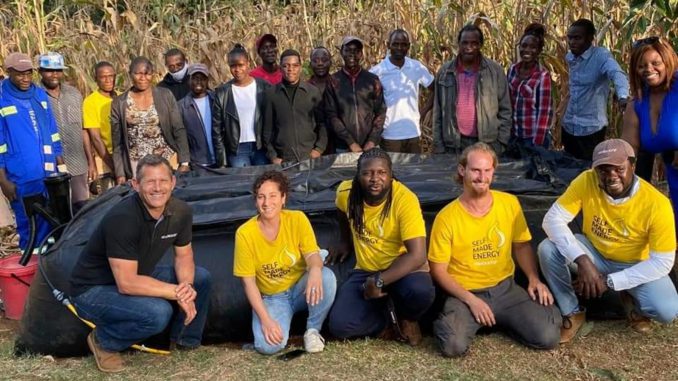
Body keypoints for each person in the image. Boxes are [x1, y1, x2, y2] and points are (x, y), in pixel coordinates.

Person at [69, 154, 211, 373]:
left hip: (137, 275)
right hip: (94, 289)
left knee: (199, 278)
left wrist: (186, 287)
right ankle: (103, 342)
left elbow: (184, 256)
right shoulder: (123, 218)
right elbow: (126, 283)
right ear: (136, 185)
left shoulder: (181, 211)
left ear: (173, 182)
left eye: (163, 180)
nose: (157, 188)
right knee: (158, 312)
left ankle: (185, 341)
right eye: (150, 181)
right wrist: (177, 293)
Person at [538, 139, 677, 343]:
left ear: (633, 165)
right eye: (603, 170)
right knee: (547, 249)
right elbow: (552, 219)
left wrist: (610, 281)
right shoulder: (586, 180)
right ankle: (572, 311)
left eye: (619, 169)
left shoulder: (657, 204)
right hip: (595, 253)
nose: (611, 176)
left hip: (635, 263)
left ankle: (632, 300)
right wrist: (583, 261)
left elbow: (663, 261)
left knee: (667, 311)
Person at [428, 142, 560, 357]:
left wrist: (534, 279)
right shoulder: (447, 217)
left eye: (487, 170)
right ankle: (466, 318)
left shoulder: (509, 203)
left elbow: (521, 245)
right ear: (462, 171)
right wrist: (472, 301)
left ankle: (503, 318)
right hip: (466, 293)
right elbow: (438, 270)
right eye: (475, 170)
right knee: (453, 346)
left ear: (493, 172)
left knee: (548, 336)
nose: (482, 177)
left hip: (505, 288)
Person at [327, 148, 435, 346]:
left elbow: (418, 256)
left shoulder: (405, 199)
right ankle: (387, 320)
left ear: (391, 174)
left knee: (421, 291)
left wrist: (378, 280)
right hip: (366, 269)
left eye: (381, 172)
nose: (375, 178)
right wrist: (345, 241)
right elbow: (342, 212)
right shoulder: (346, 192)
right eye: (367, 173)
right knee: (340, 326)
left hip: (401, 267)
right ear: (358, 176)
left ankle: (408, 318)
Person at [234, 170, 336, 354]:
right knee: (268, 346)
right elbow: (248, 283)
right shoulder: (245, 233)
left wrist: (314, 270)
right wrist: (266, 320)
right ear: (256, 201)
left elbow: (312, 254)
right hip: (273, 297)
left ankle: (313, 330)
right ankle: (270, 324)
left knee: (326, 276)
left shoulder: (297, 219)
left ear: (283, 198)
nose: (266, 203)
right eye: (261, 197)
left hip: (300, 287)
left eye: (273, 196)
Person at [0, 52, 63, 250]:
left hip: (47, 170)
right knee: (28, 220)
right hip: (21, 174)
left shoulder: (39, 95)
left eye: (29, 73)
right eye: (20, 74)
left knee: (51, 216)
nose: (26, 78)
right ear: (8, 72)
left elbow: (52, 131)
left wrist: (60, 161)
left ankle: (48, 257)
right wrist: (3, 181)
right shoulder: (2, 99)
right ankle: (31, 262)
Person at [433, 24, 512, 155]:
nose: (469, 47)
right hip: (453, 145)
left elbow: (505, 110)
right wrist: (439, 146)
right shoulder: (445, 72)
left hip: (487, 144)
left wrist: (501, 142)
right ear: (458, 44)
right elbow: (438, 112)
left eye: (474, 43)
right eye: (465, 43)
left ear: (480, 45)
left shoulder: (494, 71)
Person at [622, 37, 678, 221]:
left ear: (667, 61)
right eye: (641, 65)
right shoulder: (637, 103)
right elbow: (627, 149)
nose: (648, 70)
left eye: (656, 63)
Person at [110, 56, 190, 184]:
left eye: (147, 73)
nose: (143, 78)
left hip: (167, 159)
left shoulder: (165, 95)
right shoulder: (119, 103)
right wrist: (120, 174)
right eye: (138, 73)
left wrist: (184, 162)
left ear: (152, 74)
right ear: (130, 74)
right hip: (137, 164)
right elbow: (117, 143)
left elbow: (178, 128)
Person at [562, 19, 629, 160]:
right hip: (569, 126)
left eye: (577, 38)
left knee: (588, 172)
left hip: (591, 129)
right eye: (570, 38)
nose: (572, 42)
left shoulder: (601, 56)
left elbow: (617, 74)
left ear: (590, 39)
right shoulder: (570, 57)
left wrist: (623, 96)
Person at [38, 52, 95, 210]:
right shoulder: (36, 96)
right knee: (58, 211)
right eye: (49, 70)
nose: (54, 75)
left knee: (82, 209)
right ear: (40, 72)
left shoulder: (74, 94)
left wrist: (91, 162)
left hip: (78, 164)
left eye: (58, 70)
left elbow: (83, 129)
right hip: (51, 168)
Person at [369, 29, 434, 153]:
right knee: (392, 171)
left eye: (403, 44)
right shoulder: (377, 72)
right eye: (395, 44)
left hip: (413, 132)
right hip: (389, 134)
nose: (399, 47)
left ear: (408, 46)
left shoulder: (416, 67)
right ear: (388, 45)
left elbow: (434, 88)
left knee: (414, 170)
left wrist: (423, 112)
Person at [263, 49, 327, 164]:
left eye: (295, 65)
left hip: (310, 157)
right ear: (280, 68)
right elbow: (267, 130)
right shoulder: (271, 94)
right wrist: (273, 156)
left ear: (300, 67)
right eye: (286, 66)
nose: (290, 69)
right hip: (283, 159)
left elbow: (322, 124)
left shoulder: (312, 92)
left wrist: (318, 149)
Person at [212, 44, 270, 167]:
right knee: (242, 184)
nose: (237, 70)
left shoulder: (263, 87)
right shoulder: (223, 93)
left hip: (261, 147)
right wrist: (222, 160)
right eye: (233, 66)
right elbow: (217, 129)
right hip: (237, 149)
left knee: (263, 182)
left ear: (248, 63)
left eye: (241, 65)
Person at [324, 36, 386, 153]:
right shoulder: (333, 81)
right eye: (347, 50)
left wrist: (372, 140)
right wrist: (350, 142)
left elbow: (380, 112)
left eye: (356, 51)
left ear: (361, 54)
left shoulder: (372, 80)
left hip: (370, 146)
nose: (351, 54)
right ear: (341, 52)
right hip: (344, 146)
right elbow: (332, 115)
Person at [507, 23, 553, 149]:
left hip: (533, 138)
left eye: (533, 47)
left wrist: (537, 146)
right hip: (515, 136)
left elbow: (544, 112)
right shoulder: (512, 70)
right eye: (524, 46)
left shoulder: (542, 76)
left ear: (539, 50)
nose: (527, 50)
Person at [83, 61, 116, 191]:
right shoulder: (91, 102)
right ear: (96, 79)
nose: (108, 80)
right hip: (106, 159)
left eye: (111, 76)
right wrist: (113, 164)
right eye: (103, 77)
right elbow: (95, 137)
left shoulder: (121, 96)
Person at [178, 63, 216, 167]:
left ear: (207, 81)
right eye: (194, 78)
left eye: (202, 78)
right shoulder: (181, 106)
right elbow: (181, 136)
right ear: (188, 80)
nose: (198, 82)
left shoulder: (217, 100)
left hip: (221, 160)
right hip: (199, 162)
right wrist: (184, 162)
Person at [307, 46, 335, 155]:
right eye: (315, 60)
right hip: (313, 146)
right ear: (310, 64)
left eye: (324, 60)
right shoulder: (305, 88)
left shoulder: (338, 85)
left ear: (330, 62)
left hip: (337, 142)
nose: (320, 64)